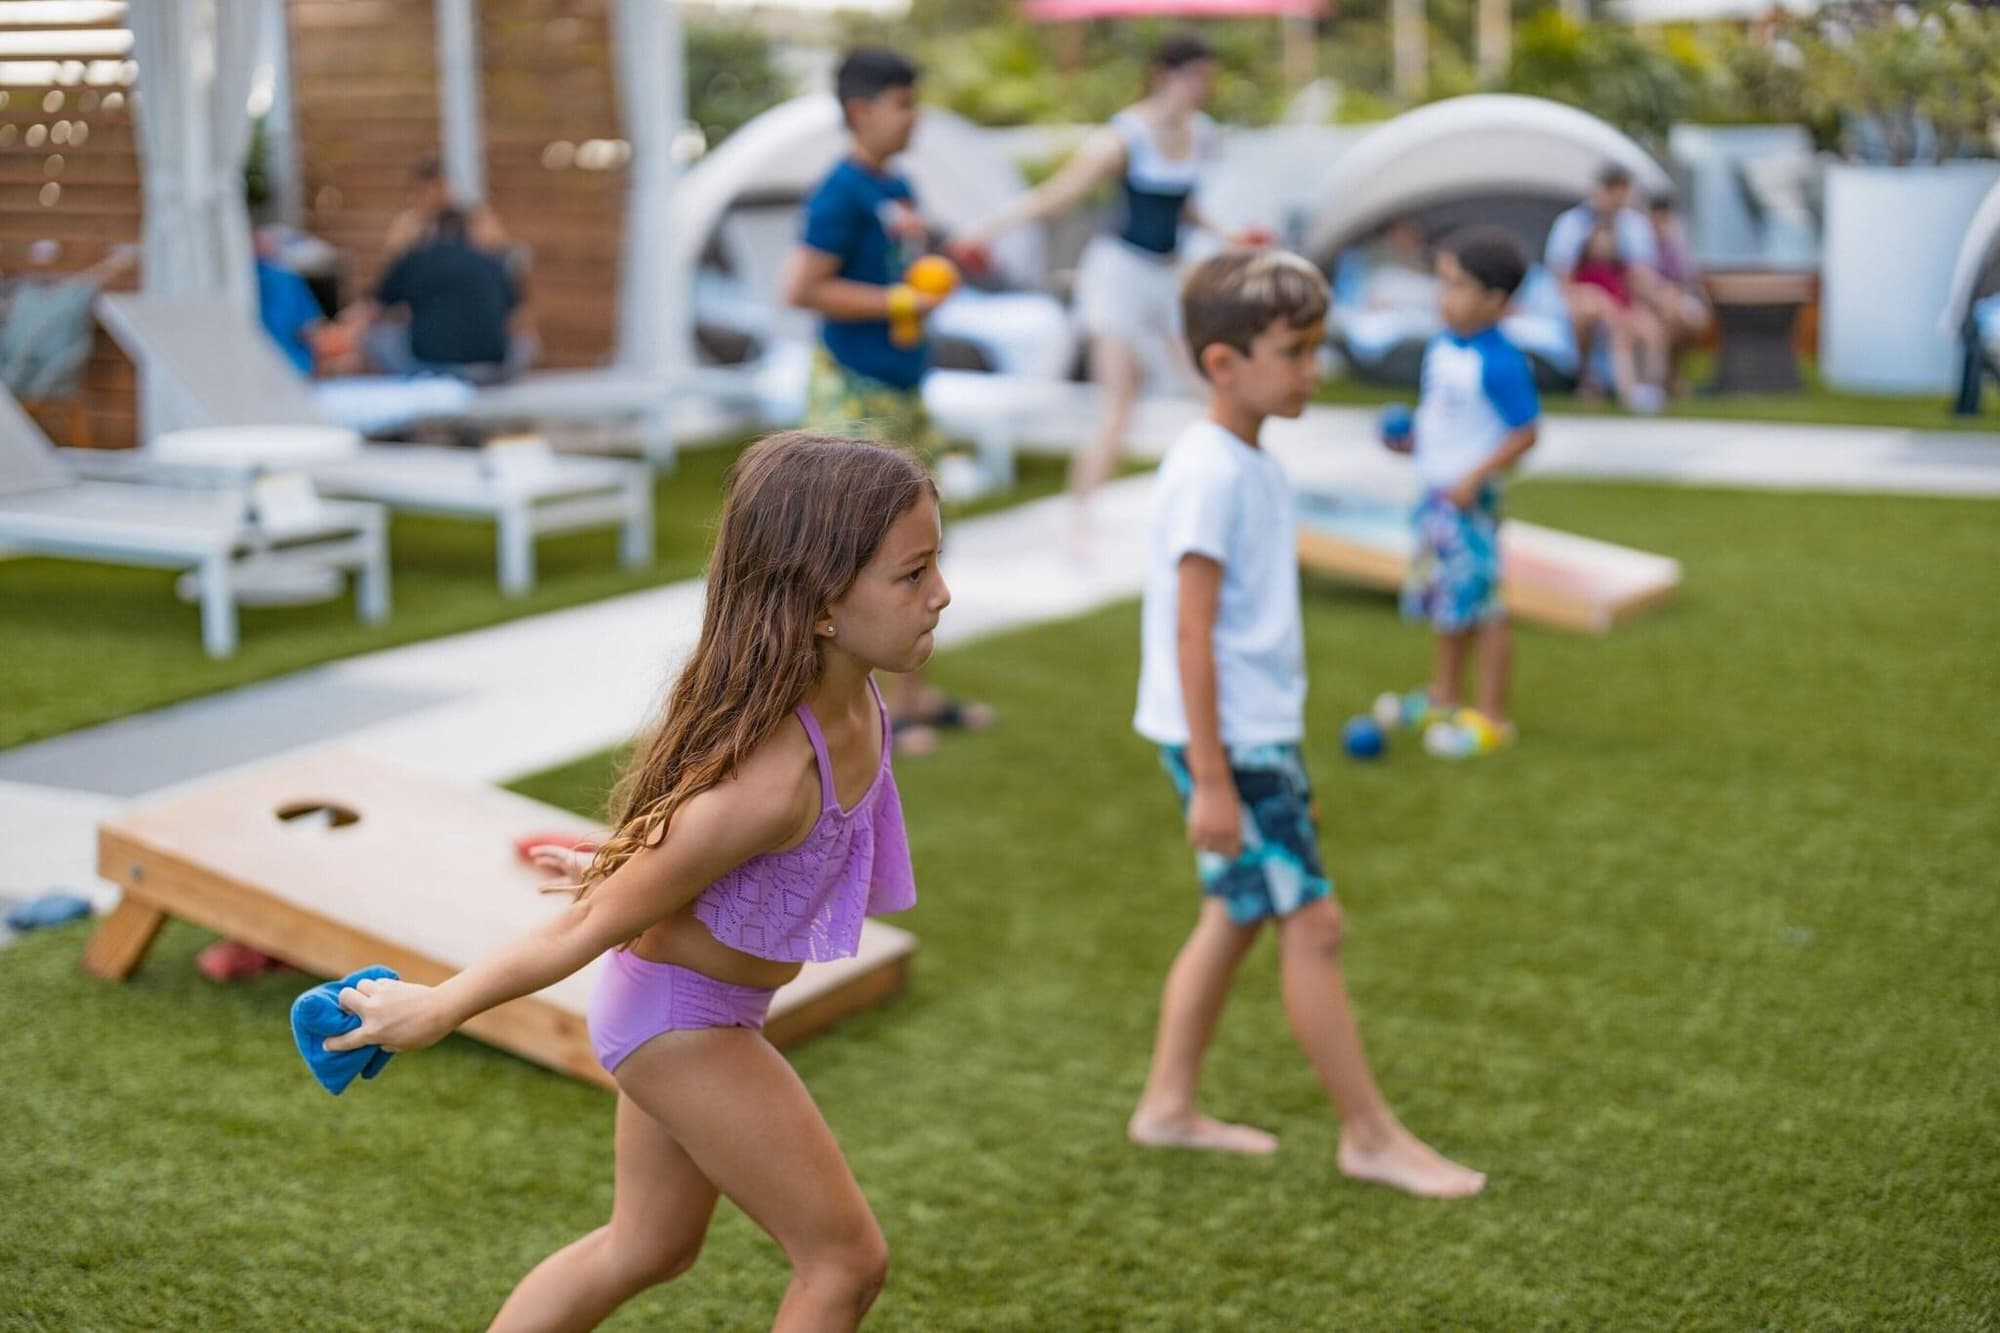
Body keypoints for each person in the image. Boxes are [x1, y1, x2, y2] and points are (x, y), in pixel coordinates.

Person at [322, 431, 940, 1331]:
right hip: (681, 1024)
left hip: (695, 1006)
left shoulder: (855, 698)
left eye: (934, 564)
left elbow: (710, 850)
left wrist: (625, 862)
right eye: (913, 574)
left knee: (648, 1245)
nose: (941, 593)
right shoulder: (768, 783)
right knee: (844, 1264)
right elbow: (584, 927)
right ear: (820, 606)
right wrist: (437, 1008)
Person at [1129, 246, 1486, 1198]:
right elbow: (1191, 631)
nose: (1313, 370)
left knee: (1239, 910)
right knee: (1313, 922)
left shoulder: (1244, 457)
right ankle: (1368, 1136)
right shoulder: (1210, 472)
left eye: (1315, 347)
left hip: (1247, 735)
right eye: (1294, 351)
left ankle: (1167, 1105)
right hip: (1233, 742)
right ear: (1223, 363)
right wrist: (1214, 778)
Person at [959, 33, 1270, 543]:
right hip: (1118, 274)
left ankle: (1241, 501)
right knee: (1118, 405)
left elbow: (1183, 205)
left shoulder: (1202, 134)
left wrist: (1228, 235)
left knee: (1209, 384)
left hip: (1168, 273)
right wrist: (986, 229)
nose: (1204, 87)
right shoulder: (1124, 137)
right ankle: (1079, 524)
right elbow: (1059, 195)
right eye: (1196, 76)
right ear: (1164, 75)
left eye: (1208, 78)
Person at [780, 47, 993, 757]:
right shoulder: (837, 192)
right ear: (860, 110)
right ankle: (849, 719)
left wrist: (948, 262)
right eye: (902, 104)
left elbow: (905, 263)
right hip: (853, 390)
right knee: (853, 557)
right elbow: (802, 287)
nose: (914, 117)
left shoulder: (895, 185)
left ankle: (909, 699)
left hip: (903, 391)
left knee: (917, 545)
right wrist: (900, 301)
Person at [1381, 227, 1542, 760]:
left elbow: (1526, 432)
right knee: (1445, 604)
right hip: (1435, 496)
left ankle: (1492, 718)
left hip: (1469, 504)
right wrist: (1411, 442)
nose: (1442, 296)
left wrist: (1476, 476)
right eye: (1442, 283)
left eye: (1457, 286)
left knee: (1484, 608)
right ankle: (1444, 696)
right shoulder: (1443, 346)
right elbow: (1441, 417)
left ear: (1495, 301)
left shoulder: (1501, 361)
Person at [352, 207, 529, 385]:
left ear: (433, 230)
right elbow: (515, 323)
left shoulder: (414, 258)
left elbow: (373, 312)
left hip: (426, 365)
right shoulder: (493, 263)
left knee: (375, 337)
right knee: (526, 343)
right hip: (489, 369)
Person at [1544, 165, 1667, 412]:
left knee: (1649, 328)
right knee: (1599, 312)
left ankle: (1652, 389)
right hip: (1582, 300)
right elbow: (1562, 277)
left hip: (1621, 302)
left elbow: (1639, 276)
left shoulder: (1633, 225)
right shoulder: (1572, 224)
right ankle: (1593, 381)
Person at [1645, 195, 1712, 395]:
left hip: (1675, 299)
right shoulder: (1641, 243)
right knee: (1666, 321)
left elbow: (1686, 279)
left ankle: (1673, 374)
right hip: (1650, 301)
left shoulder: (1677, 243)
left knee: (1690, 321)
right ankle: (1661, 380)